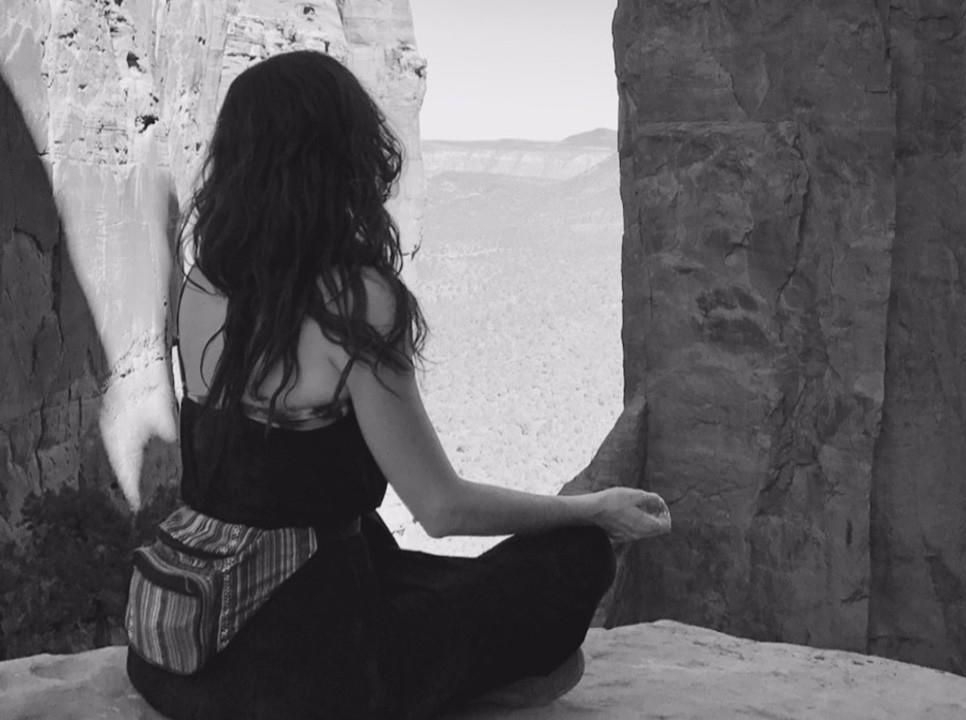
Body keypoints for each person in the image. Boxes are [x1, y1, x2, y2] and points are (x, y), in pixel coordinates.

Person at [125, 49, 671, 719]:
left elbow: (259, 488)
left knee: (383, 551)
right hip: (312, 682)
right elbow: (442, 509)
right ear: (343, 157)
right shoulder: (354, 301)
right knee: (575, 558)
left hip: (177, 660)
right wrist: (593, 508)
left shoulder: (199, 284)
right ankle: (460, 679)